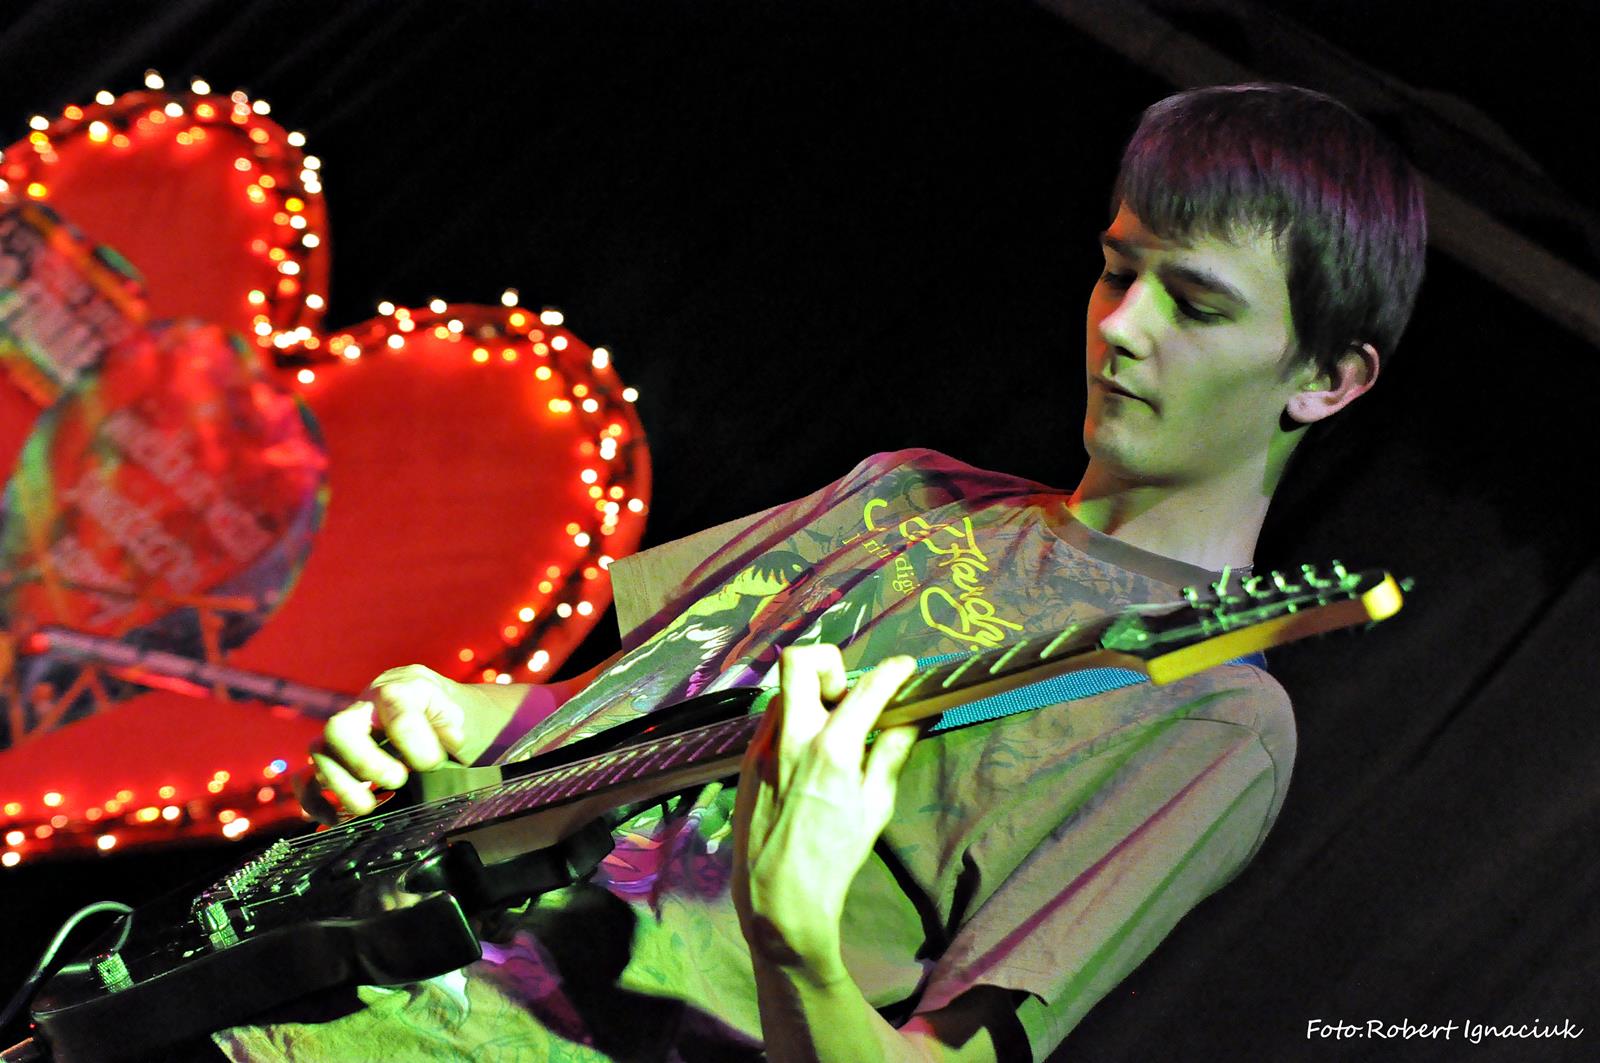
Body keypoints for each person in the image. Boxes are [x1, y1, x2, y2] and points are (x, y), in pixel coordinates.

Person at [220, 82, 1427, 1062]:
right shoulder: (904, 489)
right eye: (1119, 270)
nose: (1120, 325)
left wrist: (794, 934)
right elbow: (594, 717)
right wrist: (438, 709)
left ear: (1327, 379)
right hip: (272, 991)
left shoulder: (1212, 717)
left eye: (1195, 304)